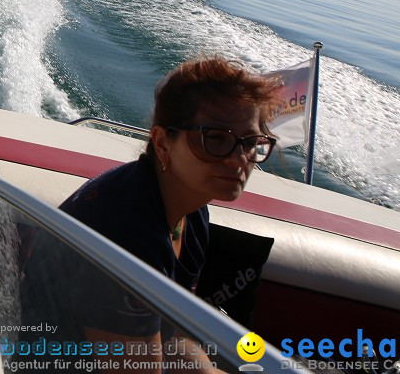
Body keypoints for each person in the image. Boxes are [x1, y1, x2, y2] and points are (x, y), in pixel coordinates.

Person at [57, 55, 282, 351]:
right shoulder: (125, 234)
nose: (239, 159)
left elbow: (174, 334)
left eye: (251, 142)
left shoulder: (191, 210)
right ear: (163, 143)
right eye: (215, 138)